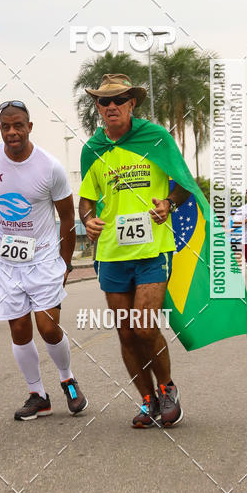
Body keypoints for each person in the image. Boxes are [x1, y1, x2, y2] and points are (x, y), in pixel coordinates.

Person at [78, 74, 192, 429]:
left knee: (144, 326)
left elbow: (185, 186)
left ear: (132, 103)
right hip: (111, 253)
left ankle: (167, 388)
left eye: (119, 100)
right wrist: (89, 219)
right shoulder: (92, 149)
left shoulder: (156, 139)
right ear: (98, 108)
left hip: (152, 249)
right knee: (126, 332)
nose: (111, 106)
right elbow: (86, 201)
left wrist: (168, 204)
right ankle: (147, 399)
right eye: (104, 101)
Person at [0, 100, 88, 421]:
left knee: (48, 328)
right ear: (0, 129)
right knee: (19, 330)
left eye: (18, 125)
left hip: (45, 258)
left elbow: (66, 218)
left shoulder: (50, 167)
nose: (12, 132)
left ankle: (67, 379)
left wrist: (65, 263)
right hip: (9, 262)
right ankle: (38, 394)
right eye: (6, 126)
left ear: (30, 127)